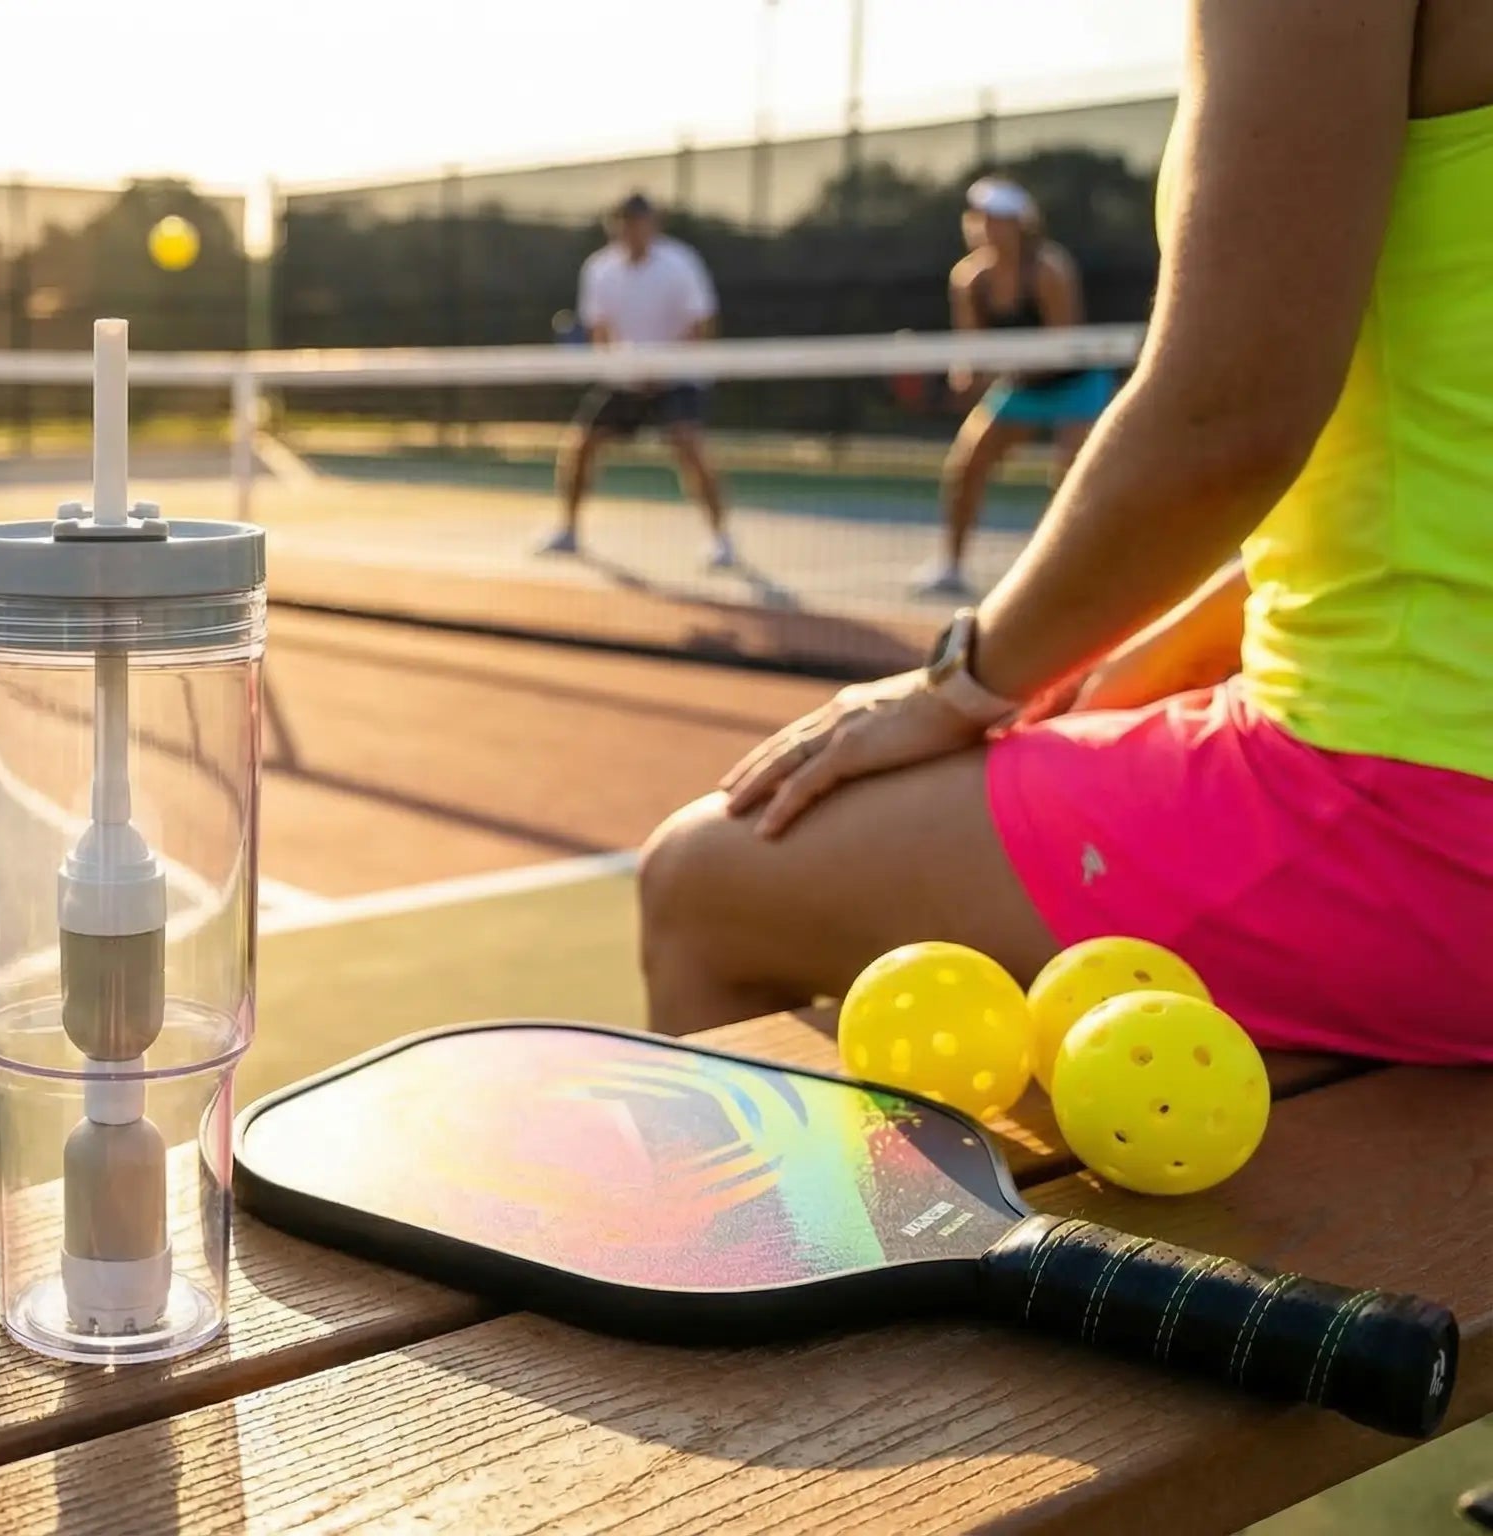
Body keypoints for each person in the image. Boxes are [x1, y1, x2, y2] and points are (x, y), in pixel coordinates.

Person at [634, 0, 1493, 1070]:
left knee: (699, 878)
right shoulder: (973, 275)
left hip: (1418, 811)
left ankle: (765, 1245)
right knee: (1001, 500)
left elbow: (1226, 419)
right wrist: (1146, 642)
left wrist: (960, 682)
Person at [916, 177, 1117, 597]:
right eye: (981, 219)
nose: (987, 228)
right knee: (966, 465)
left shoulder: (1049, 270)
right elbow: (972, 348)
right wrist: (965, 377)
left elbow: (1063, 345)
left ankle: (1057, 574)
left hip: (1075, 383)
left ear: (1020, 225)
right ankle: (951, 566)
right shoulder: (969, 280)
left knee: (1073, 477)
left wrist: (1001, 368)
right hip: (1020, 386)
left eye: (998, 220)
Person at [546, 193, 735, 570]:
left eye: (639, 221)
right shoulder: (599, 268)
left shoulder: (680, 263)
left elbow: (700, 324)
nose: (632, 229)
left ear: (653, 223)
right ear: (614, 226)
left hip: (678, 376)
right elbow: (600, 329)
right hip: (624, 378)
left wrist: (664, 368)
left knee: (689, 446)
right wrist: (618, 367)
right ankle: (567, 530)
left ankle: (721, 539)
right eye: (624, 222)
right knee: (581, 445)